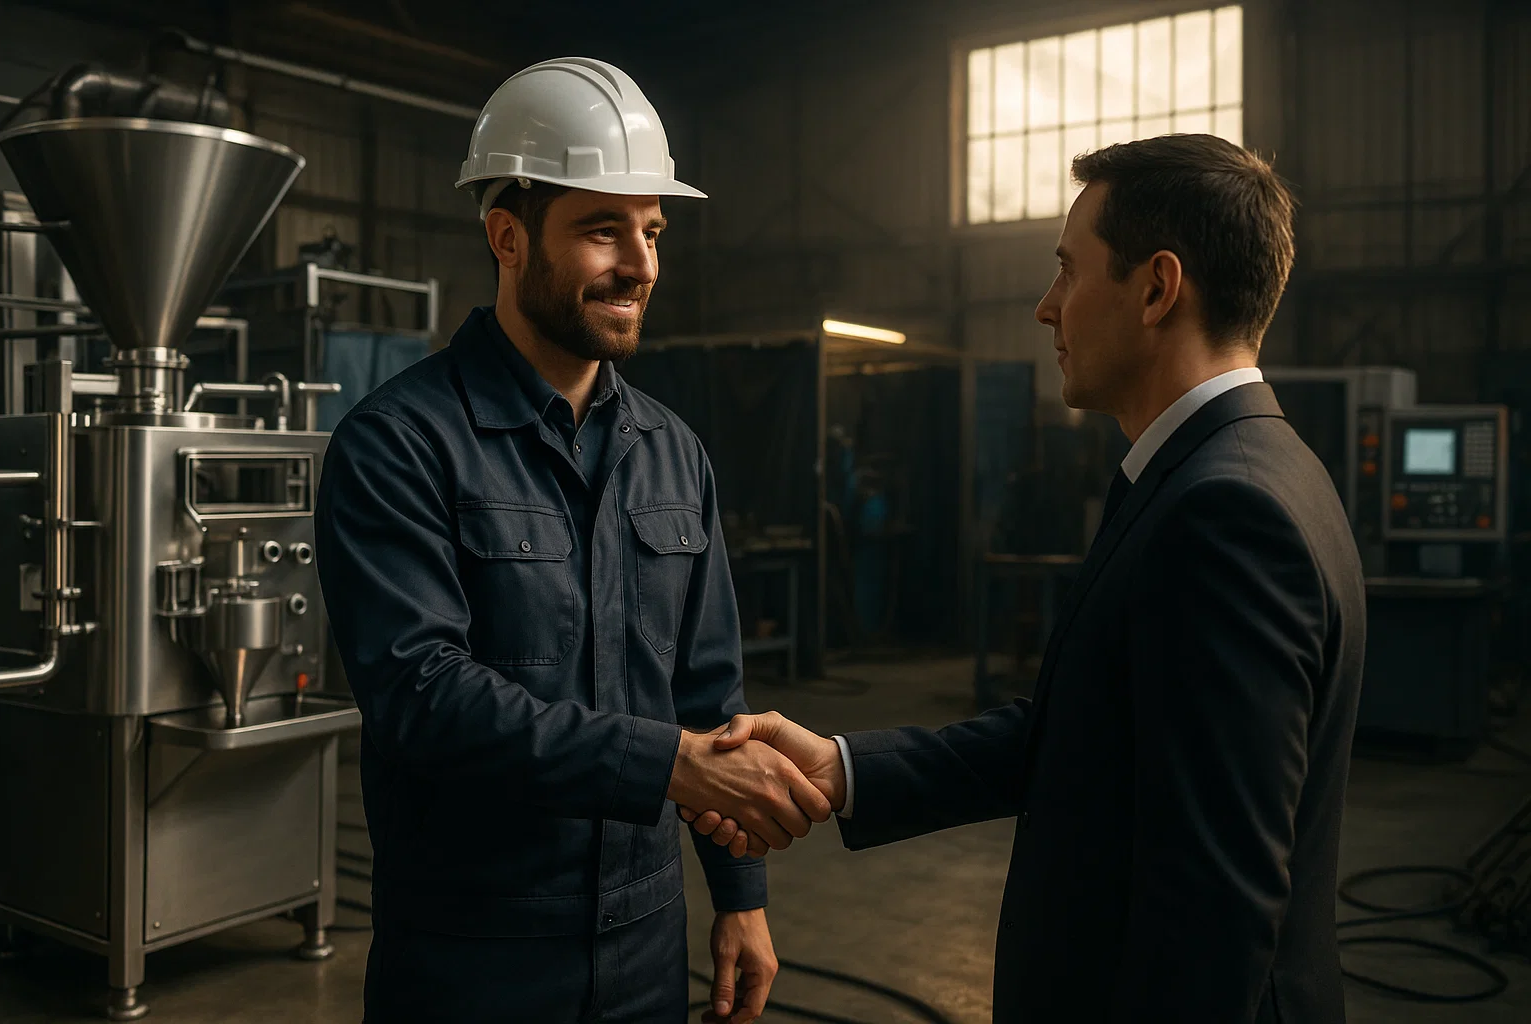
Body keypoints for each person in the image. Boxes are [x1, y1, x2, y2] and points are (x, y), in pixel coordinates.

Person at [685, 134, 1366, 1024]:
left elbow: (1214, 910)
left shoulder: (1224, 513)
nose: (1047, 308)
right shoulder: (1241, 472)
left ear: (1158, 288)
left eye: (1068, 272)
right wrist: (846, 767)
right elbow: (1089, 734)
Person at [315, 57, 830, 1024]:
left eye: (651, 230)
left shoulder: (674, 453)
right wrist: (668, 764)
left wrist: (740, 900)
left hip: (645, 945)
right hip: (471, 956)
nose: (640, 264)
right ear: (507, 237)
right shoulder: (398, 444)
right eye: (603, 229)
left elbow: (710, 694)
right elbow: (421, 696)